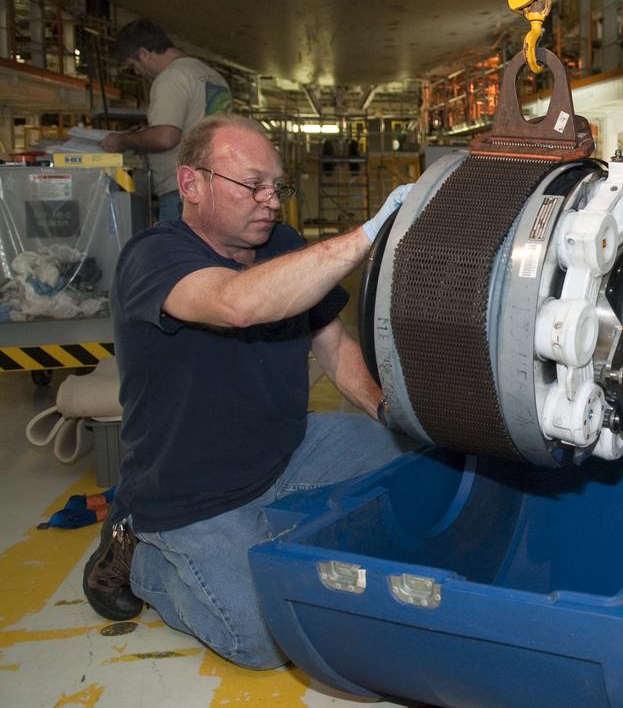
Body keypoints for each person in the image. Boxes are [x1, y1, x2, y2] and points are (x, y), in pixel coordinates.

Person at [82, 113, 413, 669]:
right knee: (263, 641)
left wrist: (385, 410)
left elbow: (330, 342)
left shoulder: (281, 243)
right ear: (192, 185)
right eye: (253, 185)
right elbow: (238, 305)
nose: (271, 200)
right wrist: (366, 236)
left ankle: (275, 530)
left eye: (276, 187)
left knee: (412, 459)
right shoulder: (153, 257)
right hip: (192, 491)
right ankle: (138, 552)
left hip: (286, 450)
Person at [103, 19, 232, 222]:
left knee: (179, 252)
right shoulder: (210, 75)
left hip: (182, 193)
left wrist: (122, 141)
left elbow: (165, 137)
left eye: (133, 65)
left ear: (144, 54)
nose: (136, 73)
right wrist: (145, 132)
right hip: (216, 187)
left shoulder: (170, 78)